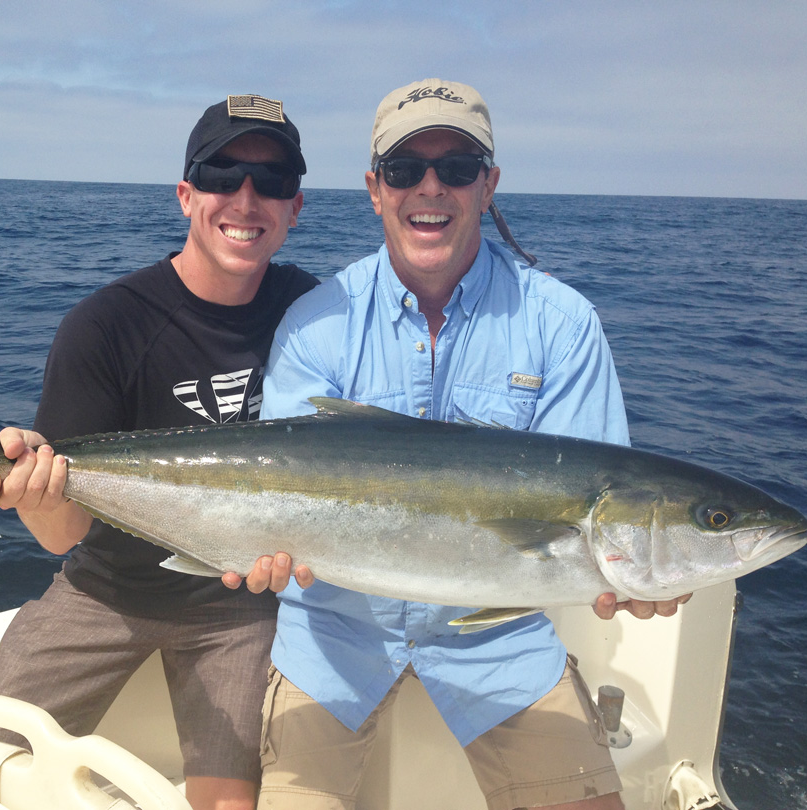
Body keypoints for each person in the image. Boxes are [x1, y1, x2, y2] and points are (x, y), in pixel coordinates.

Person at [244, 80, 689, 810]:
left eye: (456, 167)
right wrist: (260, 544)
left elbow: (595, 504)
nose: (431, 187)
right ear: (374, 189)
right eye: (404, 169)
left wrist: (633, 576)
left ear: (488, 185)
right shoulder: (317, 322)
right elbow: (275, 491)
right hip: (335, 638)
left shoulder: (562, 324)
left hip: (500, 641)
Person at [0, 94, 317, 810]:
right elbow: (62, 535)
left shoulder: (316, 318)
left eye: (272, 181)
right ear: (186, 195)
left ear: (296, 208)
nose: (246, 198)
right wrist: (34, 490)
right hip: (106, 593)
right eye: (222, 175)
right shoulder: (105, 326)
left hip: (241, 605)